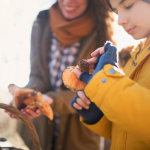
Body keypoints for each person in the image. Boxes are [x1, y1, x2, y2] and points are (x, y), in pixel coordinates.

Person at [5, 0, 115, 150]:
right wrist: (30, 96)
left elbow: (94, 90)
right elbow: (37, 75)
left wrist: (51, 101)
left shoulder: (102, 32)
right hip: (42, 130)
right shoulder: (42, 22)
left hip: (79, 135)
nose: (68, 1)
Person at [71, 0, 150, 149]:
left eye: (128, 6)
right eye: (116, 12)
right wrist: (101, 112)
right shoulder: (135, 57)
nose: (120, 21)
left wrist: (107, 84)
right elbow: (131, 135)